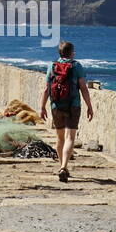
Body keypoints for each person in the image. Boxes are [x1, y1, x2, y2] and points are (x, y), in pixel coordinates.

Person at [38, 40, 94, 182]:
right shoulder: (76, 66)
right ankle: (64, 166)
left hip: (56, 105)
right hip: (73, 105)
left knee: (60, 138)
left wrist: (42, 107)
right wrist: (89, 106)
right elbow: (84, 88)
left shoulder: (52, 66)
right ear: (71, 53)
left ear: (60, 52)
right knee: (70, 138)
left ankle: (61, 167)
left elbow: (46, 89)